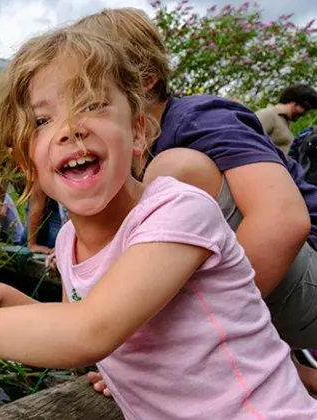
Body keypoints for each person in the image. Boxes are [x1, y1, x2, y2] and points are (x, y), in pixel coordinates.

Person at [0, 27, 317, 418]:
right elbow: (78, 333)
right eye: (42, 121)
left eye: (90, 104)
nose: (69, 129)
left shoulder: (177, 209)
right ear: (26, 164)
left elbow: (89, 332)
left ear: (138, 131)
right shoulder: (67, 241)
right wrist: (10, 300)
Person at [70, 7, 317, 396]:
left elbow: (283, 220)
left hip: (306, 274)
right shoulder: (128, 149)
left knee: (174, 170)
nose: (79, 109)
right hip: (271, 296)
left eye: (91, 91)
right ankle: (294, 375)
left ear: (146, 80)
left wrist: (170, 347)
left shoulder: (197, 119)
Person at [256, 85, 317, 154]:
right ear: (294, 103)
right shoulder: (268, 115)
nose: (305, 114)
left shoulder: (285, 122)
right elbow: (247, 140)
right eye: (306, 109)